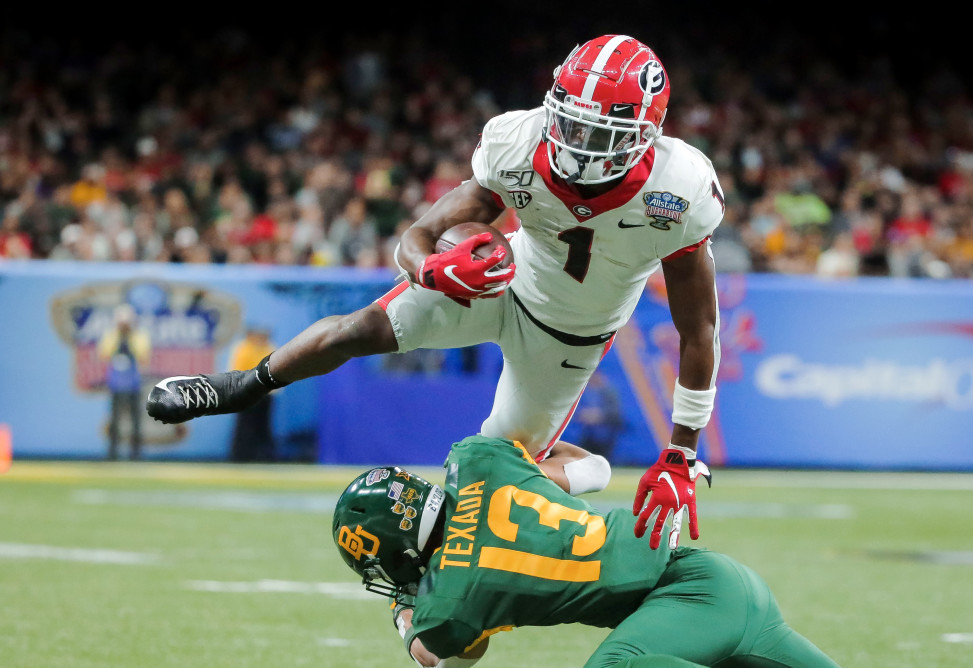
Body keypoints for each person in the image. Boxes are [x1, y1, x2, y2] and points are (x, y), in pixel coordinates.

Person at [147, 34, 724, 549]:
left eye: (598, 133)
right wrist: (431, 271)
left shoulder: (680, 190)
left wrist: (681, 452)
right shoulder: (517, 141)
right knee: (358, 329)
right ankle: (244, 386)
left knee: (488, 483)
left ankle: (587, 470)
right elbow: (417, 236)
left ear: (645, 135)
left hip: (572, 333)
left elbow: (697, 330)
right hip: (501, 280)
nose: (577, 143)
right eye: (570, 123)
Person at [331, 434, 841, 668]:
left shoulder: (451, 595)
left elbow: (440, 655)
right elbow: (590, 468)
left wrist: (403, 611)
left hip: (685, 601)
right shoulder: (478, 462)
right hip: (722, 581)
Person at [98, 304, 151, 460]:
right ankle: (113, 452)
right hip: (116, 383)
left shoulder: (139, 336)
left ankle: (135, 453)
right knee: (115, 420)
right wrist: (118, 335)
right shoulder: (112, 335)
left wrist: (130, 335)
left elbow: (143, 354)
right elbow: (104, 353)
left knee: (136, 421)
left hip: (134, 383)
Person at [227, 325, 277, 462]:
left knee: (263, 426)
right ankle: (241, 456)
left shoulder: (269, 348)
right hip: (247, 392)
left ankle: (264, 457)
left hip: (266, 393)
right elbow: (237, 371)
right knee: (245, 425)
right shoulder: (244, 349)